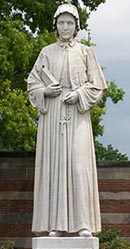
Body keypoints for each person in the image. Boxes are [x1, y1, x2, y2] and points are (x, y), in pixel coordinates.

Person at [27, 4, 107, 237]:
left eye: (69, 23)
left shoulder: (85, 52)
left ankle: (84, 224)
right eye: (61, 23)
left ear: (76, 26)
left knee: (78, 166)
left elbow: (98, 85)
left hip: (78, 116)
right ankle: (56, 225)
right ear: (55, 25)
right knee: (54, 166)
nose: (65, 27)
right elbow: (32, 83)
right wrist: (45, 91)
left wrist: (79, 94)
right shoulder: (46, 52)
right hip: (52, 116)